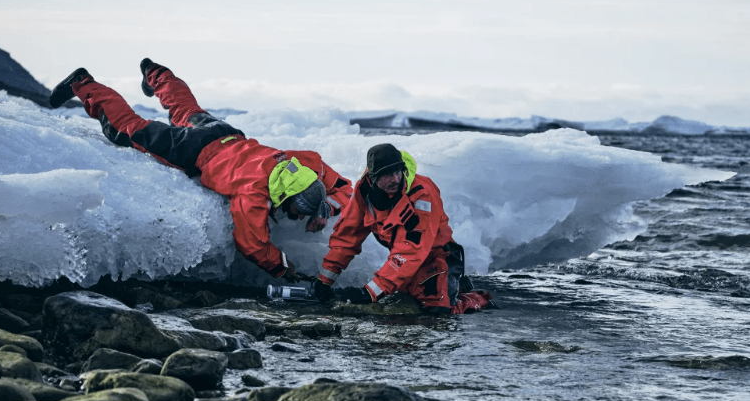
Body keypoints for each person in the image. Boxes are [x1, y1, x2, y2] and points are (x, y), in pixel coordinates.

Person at [49, 59, 353, 281]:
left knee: (184, 108)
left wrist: (325, 208)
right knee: (127, 128)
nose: (298, 218)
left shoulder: (304, 163)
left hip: (225, 133)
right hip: (193, 150)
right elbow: (253, 245)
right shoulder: (253, 193)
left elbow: (344, 187)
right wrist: (284, 269)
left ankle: (156, 73)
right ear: (287, 196)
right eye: (298, 212)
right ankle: (83, 84)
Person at [313, 143, 492, 314]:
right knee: (405, 303)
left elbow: (411, 250)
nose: (395, 179)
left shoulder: (422, 195)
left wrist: (370, 292)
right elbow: (347, 237)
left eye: (398, 172)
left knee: (439, 312)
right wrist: (325, 280)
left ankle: (475, 298)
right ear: (373, 178)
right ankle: (454, 286)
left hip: (436, 257)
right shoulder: (364, 193)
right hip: (404, 261)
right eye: (387, 174)